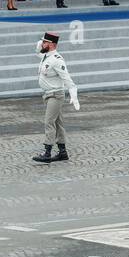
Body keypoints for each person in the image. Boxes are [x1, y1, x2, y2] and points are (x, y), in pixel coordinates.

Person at [32, 31, 79, 163]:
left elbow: (66, 78)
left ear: (52, 44)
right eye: (43, 42)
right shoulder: (45, 56)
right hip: (48, 95)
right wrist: (41, 42)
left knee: (49, 122)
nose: (43, 44)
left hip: (55, 95)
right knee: (58, 123)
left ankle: (47, 152)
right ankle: (63, 152)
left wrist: (73, 92)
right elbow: (38, 50)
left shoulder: (57, 60)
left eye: (45, 42)